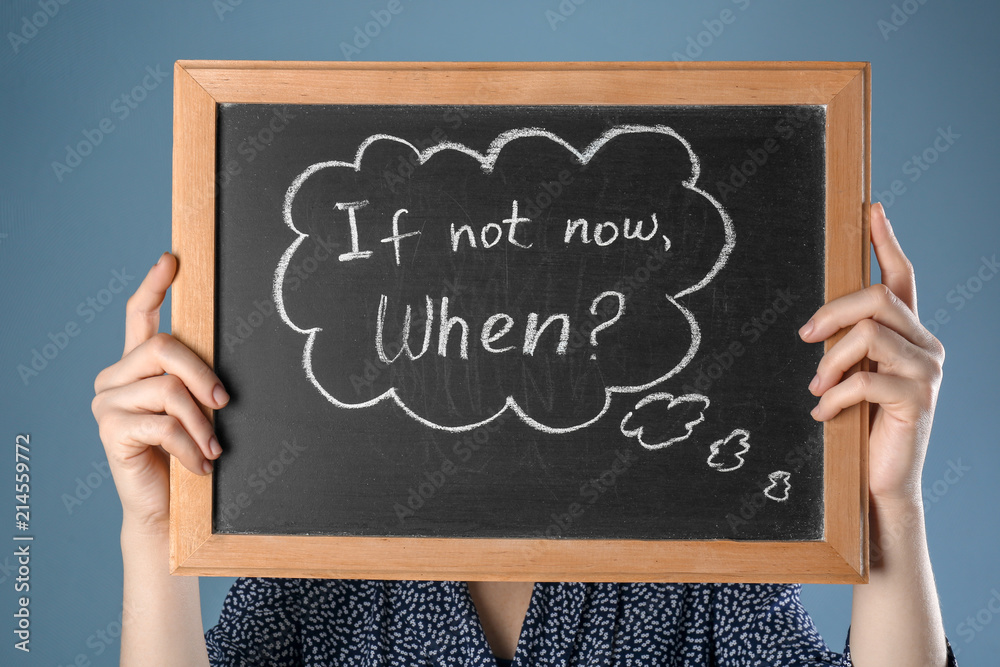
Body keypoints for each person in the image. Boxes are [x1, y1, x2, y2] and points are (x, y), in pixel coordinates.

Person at [92, 203, 958, 665]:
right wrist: (155, 531)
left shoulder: (691, 552)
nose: (512, 340)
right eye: (470, 319)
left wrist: (892, 505)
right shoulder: (324, 540)